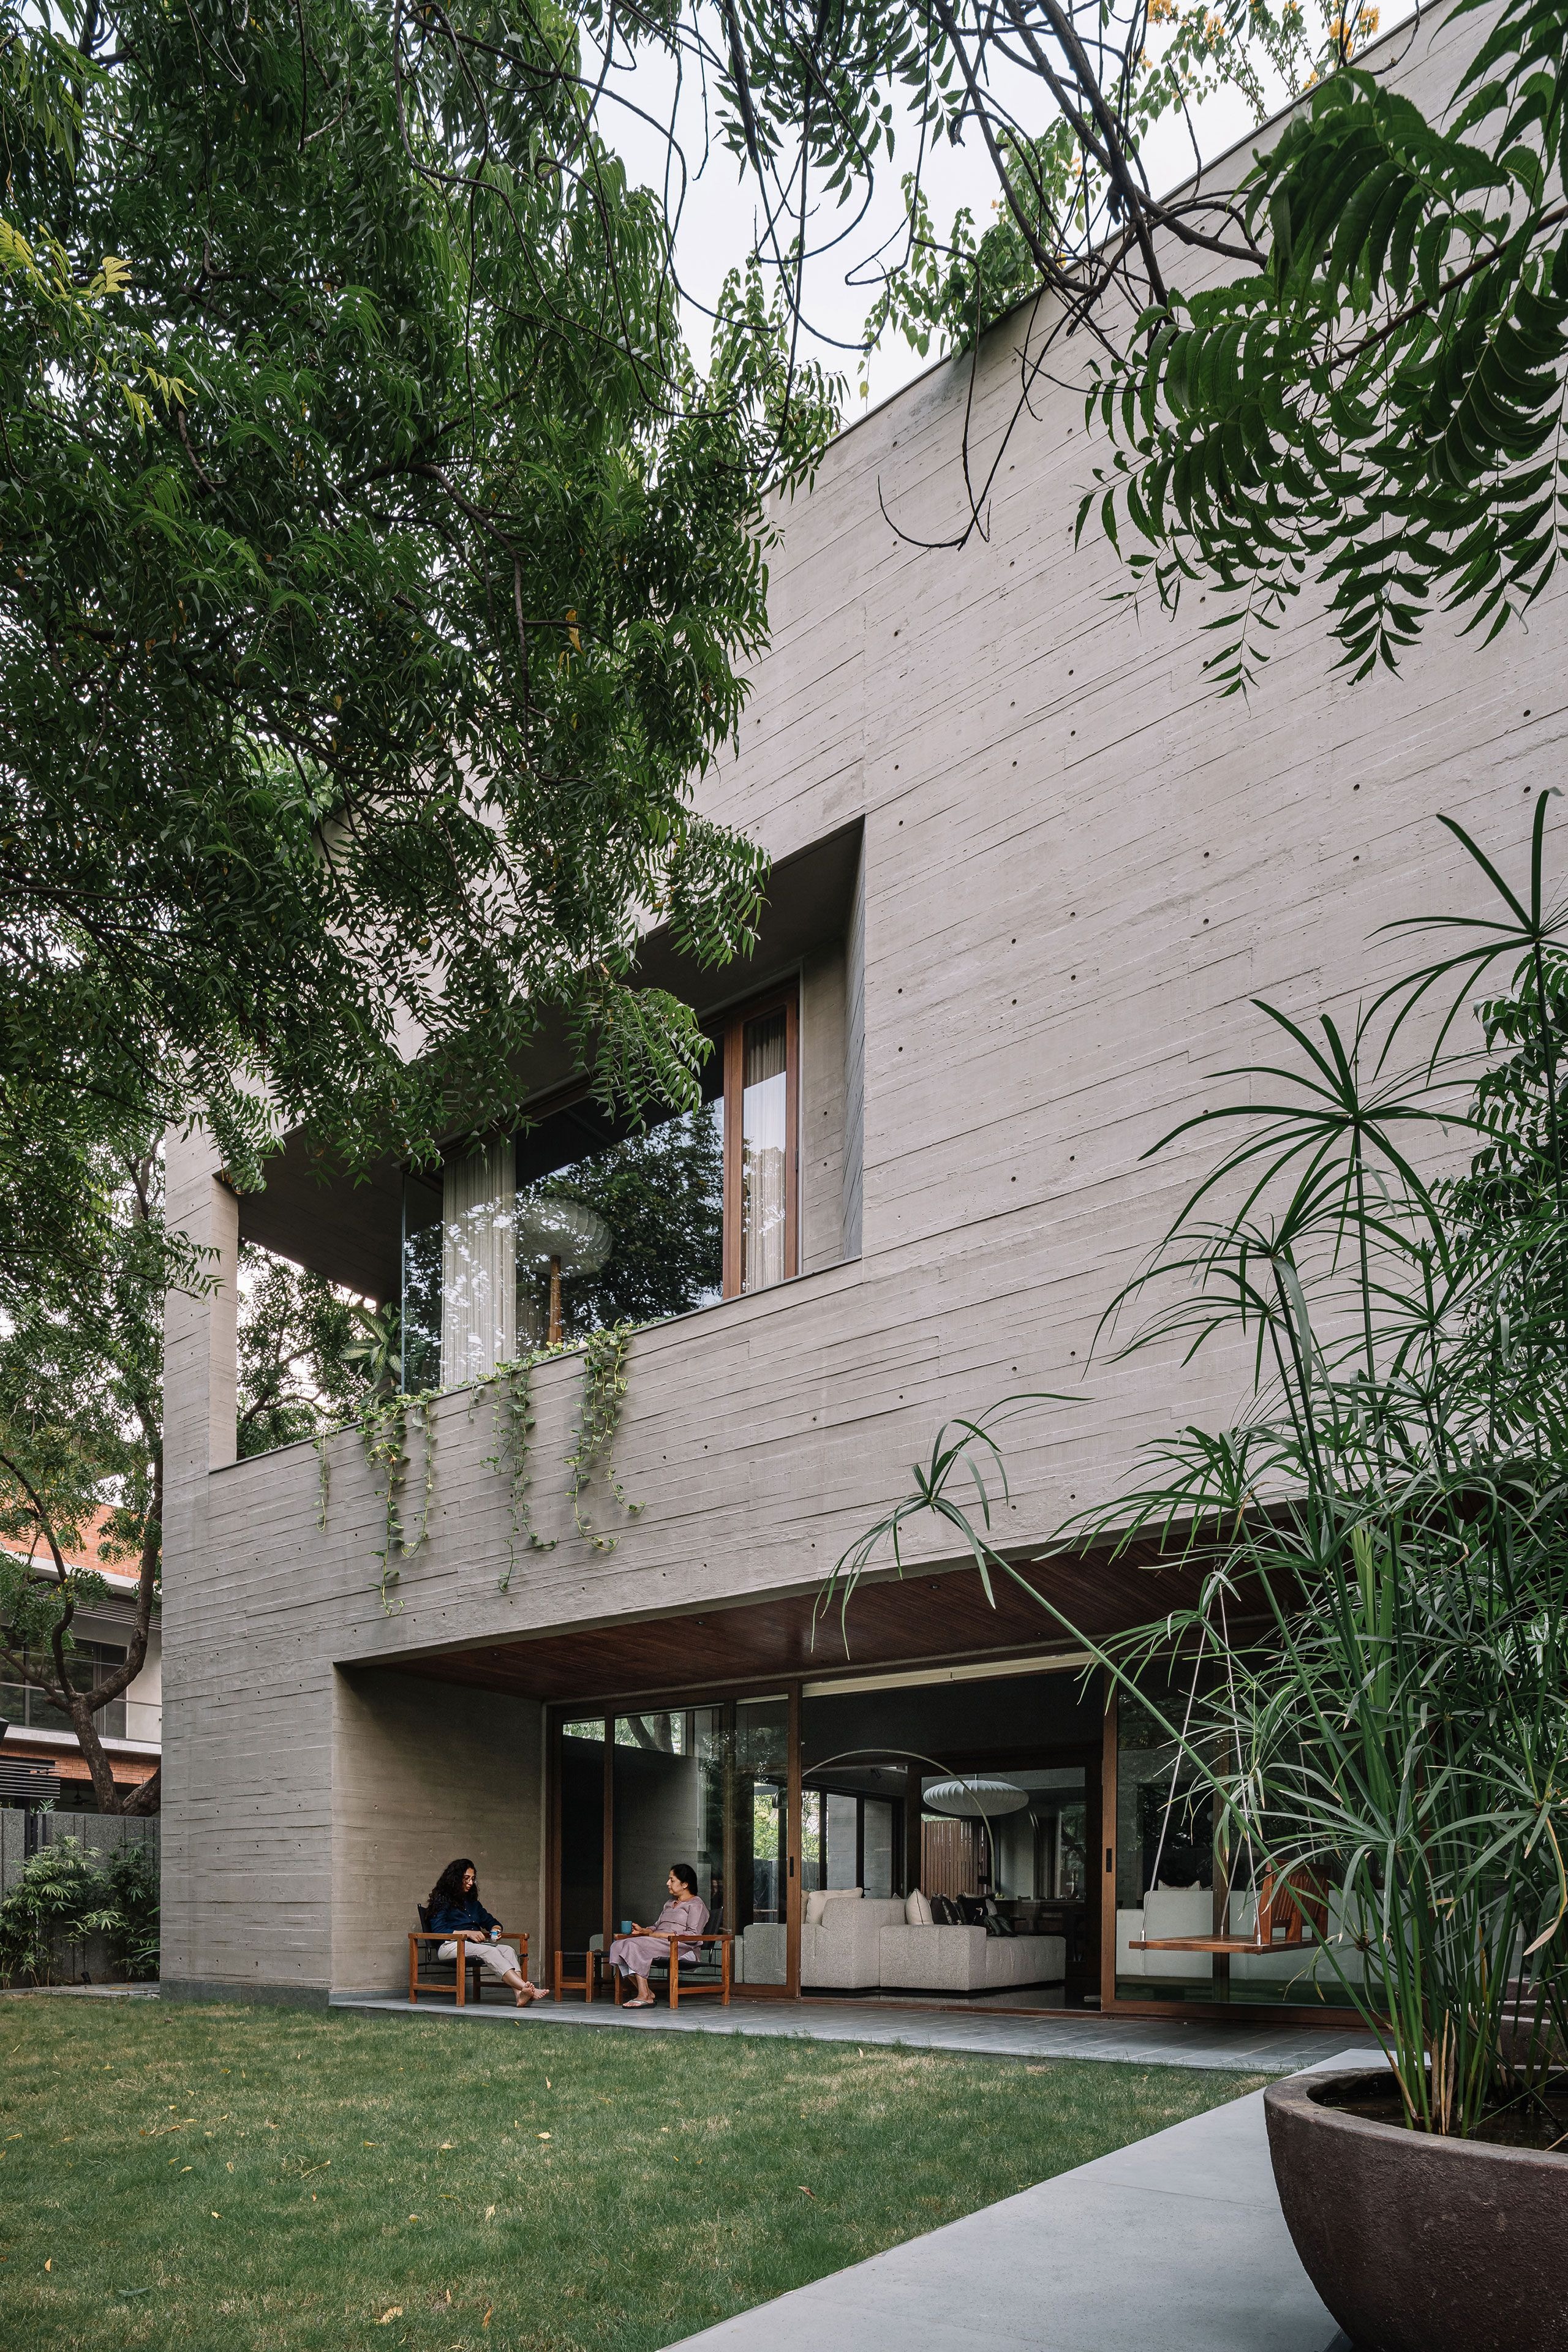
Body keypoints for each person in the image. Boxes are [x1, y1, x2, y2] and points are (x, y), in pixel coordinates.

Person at [426, 1858, 548, 2006]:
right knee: (490, 1951)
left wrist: (496, 1928)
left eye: (473, 1879)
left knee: (508, 1950)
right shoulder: (442, 1900)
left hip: (473, 1946)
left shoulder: (473, 1903)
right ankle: (527, 1989)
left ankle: (519, 1995)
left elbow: (491, 1921)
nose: (470, 1883)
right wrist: (467, 1933)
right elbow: (438, 1929)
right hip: (449, 1946)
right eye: (466, 1878)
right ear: (455, 1878)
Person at [607, 1864, 709, 2007]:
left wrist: (659, 1935)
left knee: (632, 1945)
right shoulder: (669, 1903)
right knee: (617, 1946)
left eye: (672, 1880)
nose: (668, 1883)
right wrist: (644, 1931)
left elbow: (693, 1935)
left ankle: (644, 1996)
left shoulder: (696, 1905)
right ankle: (646, 1992)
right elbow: (656, 1926)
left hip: (681, 1947)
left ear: (685, 1884)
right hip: (660, 1943)